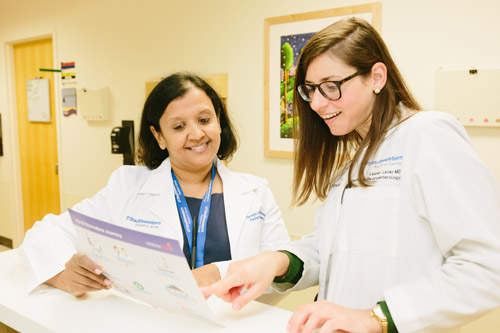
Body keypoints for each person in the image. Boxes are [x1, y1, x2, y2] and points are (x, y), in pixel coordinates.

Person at [201, 18, 500, 332]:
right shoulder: (356, 158)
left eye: (331, 87)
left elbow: (487, 266)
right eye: (310, 90)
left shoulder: (427, 134)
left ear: (376, 77)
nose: (317, 103)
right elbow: (336, 249)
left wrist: (376, 317)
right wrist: (278, 261)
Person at [19, 72, 290, 296]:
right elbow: (46, 232)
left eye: (204, 120)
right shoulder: (127, 185)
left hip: (232, 323)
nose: (196, 134)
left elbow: (281, 272)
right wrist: (63, 272)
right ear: (159, 136)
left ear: (218, 121)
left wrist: (217, 273)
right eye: (178, 126)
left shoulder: (255, 191)